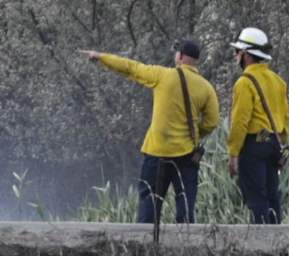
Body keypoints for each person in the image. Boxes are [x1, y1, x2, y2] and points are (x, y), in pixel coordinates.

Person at [87, 39, 221, 223]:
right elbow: (212, 121)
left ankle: (145, 247)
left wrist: (101, 57)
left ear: (180, 56)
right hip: (187, 155)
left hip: (157, 152)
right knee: (185, 203)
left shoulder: (161, 75)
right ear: (196, 60)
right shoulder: (206, 88)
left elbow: (130, 67)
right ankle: (187, 245)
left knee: (149, 202)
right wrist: (194, 134)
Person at [224, 25, 289, 224]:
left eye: (237, 51)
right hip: (273, 143)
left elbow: (240, 122)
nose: (235, 55)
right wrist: (282, 143)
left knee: (256, 197)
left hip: (254, 144)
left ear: (246, 54)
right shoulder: (278, 81)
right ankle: (276, 242)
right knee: (272, 196)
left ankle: (260, 245)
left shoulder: (245, 82)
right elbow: (286, 118)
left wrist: (233, 154)